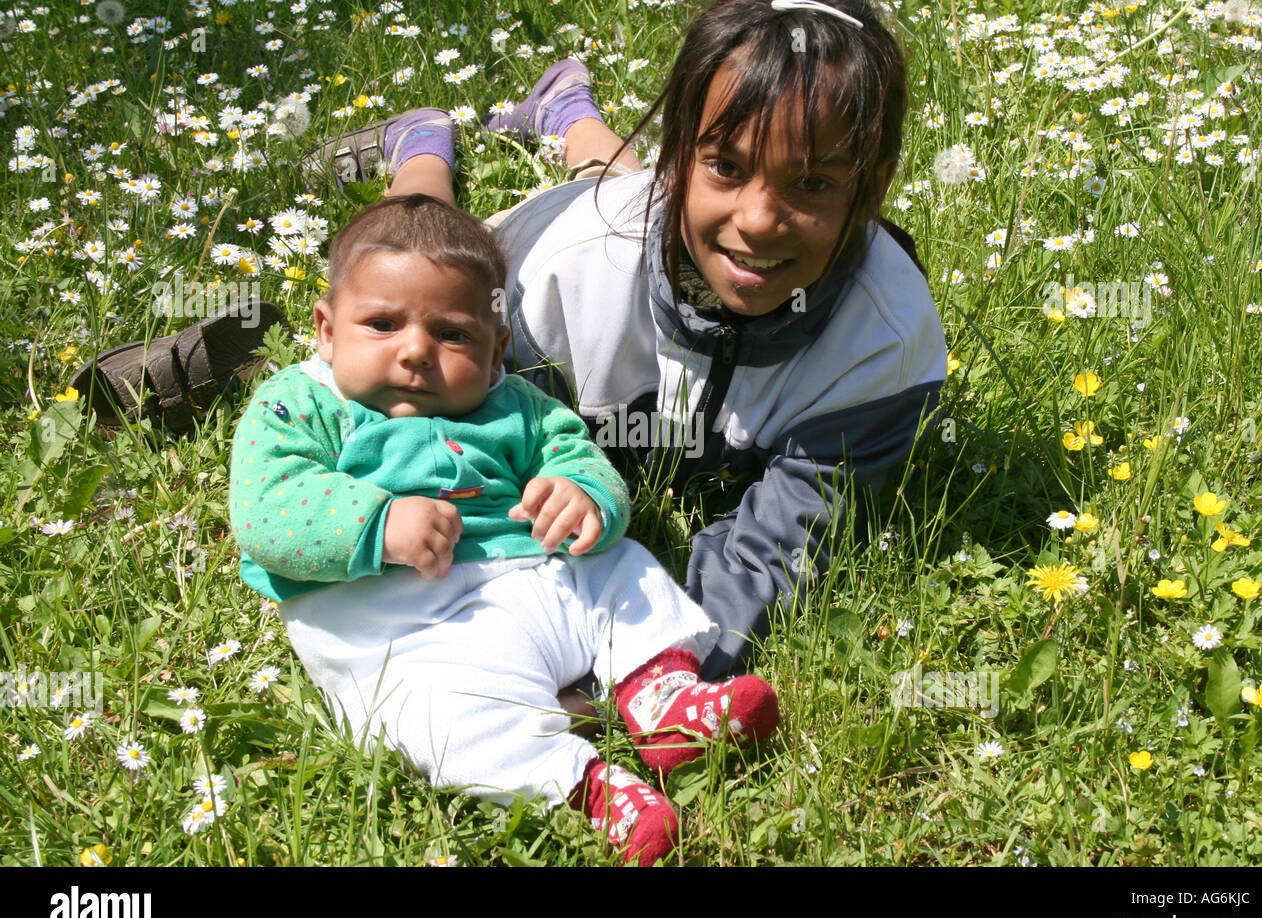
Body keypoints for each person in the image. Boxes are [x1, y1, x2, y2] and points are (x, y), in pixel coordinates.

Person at [312, 0, 949, 680]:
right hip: (553, 228)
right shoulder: (550, 284)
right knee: (423, 239)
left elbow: (775, 558)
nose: (761, 221)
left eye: (814, 183)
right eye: (727, 166)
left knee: (628, 187)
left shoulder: (887, 341)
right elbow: (431, 454)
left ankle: (567, 106)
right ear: (676, 158)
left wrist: (649, 665)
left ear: (876, 184)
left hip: (649, 214)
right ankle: (423, 144)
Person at [228, 195, 778, 866]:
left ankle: (662, 697)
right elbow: (267, 508)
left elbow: (579, 458)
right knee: (435, 718)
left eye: (453, 334)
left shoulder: (515, 404)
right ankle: (586, 788)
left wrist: (583, 497)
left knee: (624, 565)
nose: (416, 352)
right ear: (325, 329)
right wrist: (375, 520)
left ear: (496, 354)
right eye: (380, 323)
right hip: (405, 630)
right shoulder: (299, 403)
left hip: (533, 583)